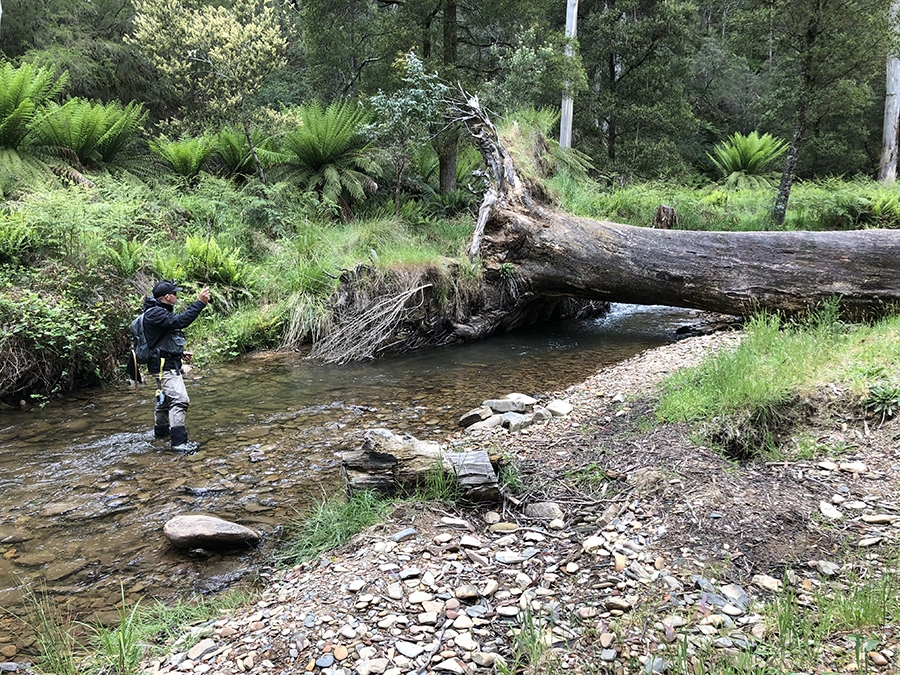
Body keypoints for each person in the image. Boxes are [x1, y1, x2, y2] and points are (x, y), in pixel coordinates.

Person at [142, 280, 211, 453]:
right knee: (180, 400)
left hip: (165, 362)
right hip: (163, 366)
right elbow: (181, 321)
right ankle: (179, 444)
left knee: (165, 401)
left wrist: (178, 354)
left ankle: (161, 435)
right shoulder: (155, 313)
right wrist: (200, 303)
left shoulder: (158, 312)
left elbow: (158, 340)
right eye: (175, 294)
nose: (176, 297)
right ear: (167, 297)